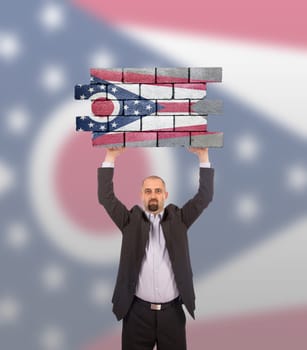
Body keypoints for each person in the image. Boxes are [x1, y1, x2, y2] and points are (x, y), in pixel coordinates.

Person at [98, 147, 214, 350]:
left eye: (158, 191)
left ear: (165, 195)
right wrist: (110, 157)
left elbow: (204, 197)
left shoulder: (179, 219)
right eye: (148, 191)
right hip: (136, 314)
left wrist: (203, 156)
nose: (153, 195)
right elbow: (106, 198)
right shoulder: (129, 221)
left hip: (173, 314)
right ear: (141, 195)